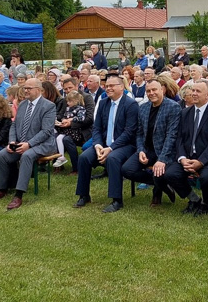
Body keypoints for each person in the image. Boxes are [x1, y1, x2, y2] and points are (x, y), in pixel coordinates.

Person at [0, 79, 57, 210]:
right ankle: (1, 189)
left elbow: (47, 131)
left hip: (42, 144)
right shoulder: (23, 104)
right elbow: (14, 125)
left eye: (29, 88)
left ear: (38, 90)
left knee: (27, 155)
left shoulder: (48, 106)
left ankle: (18, 194)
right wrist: (12, 141)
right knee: (2, 154)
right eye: (25, 88)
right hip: (21, 142)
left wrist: (29, 144)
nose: (25, 90)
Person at [75, 74, 140, 212]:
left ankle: (117, 200)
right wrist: (98, 145)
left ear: (121, 87)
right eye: (107, 86)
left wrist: (110, 148)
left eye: (112, 86)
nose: (108, 88)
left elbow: (129, 132)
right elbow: (97, 128)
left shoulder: (131, 105)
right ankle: (83, 195)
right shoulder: (104, 103)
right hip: (103, 144)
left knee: (113, 158)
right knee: (84, 158)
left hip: (125, 145)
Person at [161, 80, 208, 217]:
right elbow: (179, 138)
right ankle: (193, 199)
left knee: (206, 177)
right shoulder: (185, 113)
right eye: (193, 90)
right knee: (170, 173)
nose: (193, 94)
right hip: (187, 157)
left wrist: (201, 161)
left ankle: (206, 203)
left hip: (206, 158)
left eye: (198, 91)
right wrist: (182, 159)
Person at [121, 78, 181, 211]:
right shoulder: (143, 108)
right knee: (127, 169)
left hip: (165, 150)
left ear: (162, 90)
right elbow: (140, 133)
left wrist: (162, 159)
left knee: (158, 171)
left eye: (154, 90)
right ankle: (163, 184)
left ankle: (157, 192)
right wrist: (141, 150)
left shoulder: (173, 107)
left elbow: (172, 136)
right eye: (148, 91)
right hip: (147, 149)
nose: (151, 93)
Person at [57, 76, 95, 174]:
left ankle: (76, 168)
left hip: (83, 130)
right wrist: (61, 121)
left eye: (70, 87)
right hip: (67, 129)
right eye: (65, 89)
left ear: (77, 86)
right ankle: (58, 164)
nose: (68, 90)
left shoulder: (86, 97)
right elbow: (61, 114)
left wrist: (71, 123)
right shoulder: (67, 99)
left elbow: (89, 119)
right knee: (54, 136)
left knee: (66, 139)